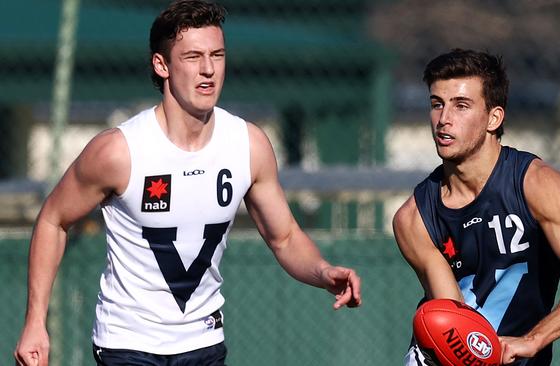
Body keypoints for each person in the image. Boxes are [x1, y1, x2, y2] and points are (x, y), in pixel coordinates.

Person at [14, 1, 361, 365]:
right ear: (161, 65)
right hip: (128, 345)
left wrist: (323, 272)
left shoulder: (248, 145)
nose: (208, 69)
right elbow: (53, 219)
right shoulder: (118, 151)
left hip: (203, 344)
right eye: (193, 56)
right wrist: (35, 321)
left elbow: (285, 237)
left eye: (217, 55)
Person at [393, 49, 560, 365]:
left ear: (494, 117)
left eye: (461, 105)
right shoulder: (414, 218)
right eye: (436, 104)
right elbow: (454, 317)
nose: (444, 119)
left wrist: (532, 340)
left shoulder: (536, 184)